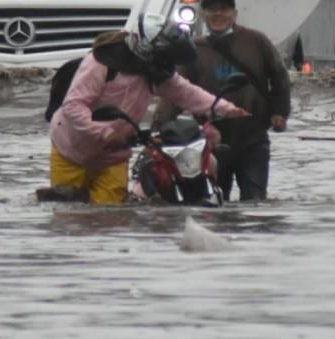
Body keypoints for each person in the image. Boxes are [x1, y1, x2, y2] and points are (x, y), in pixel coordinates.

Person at [48, 13, 249, 205]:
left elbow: (186, 92)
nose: (167, 64)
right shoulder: (101, 63)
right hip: (71, 150)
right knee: (69, 214)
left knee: (111, 216)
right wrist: (106, 133)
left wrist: (226, 109)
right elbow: (73, 106)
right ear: (146, 49)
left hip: (113, 156)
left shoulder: (154, 71)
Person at [155, 0, 291, 201]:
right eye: (212, 10)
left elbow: (280, 77)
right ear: (203, 15)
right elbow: (177, 93)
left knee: (255, 202)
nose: (218, 15)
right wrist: (159, 130)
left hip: (253, 137)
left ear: (234, 14)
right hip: (211, 141)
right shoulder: (193, 50)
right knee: (215, 202)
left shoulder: (256, 41)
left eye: (224, 9)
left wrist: (280, 113)